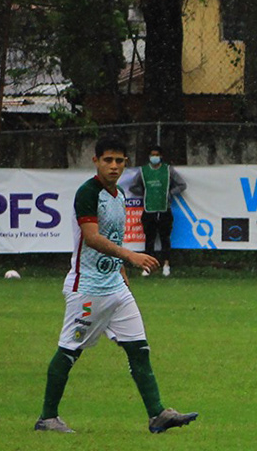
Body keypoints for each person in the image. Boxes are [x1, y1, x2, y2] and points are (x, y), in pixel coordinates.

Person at [34, 136, 199, 435]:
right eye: (107, 160)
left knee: (139, 349)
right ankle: (47, 418)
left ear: (126, 163)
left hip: (115, 288)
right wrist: (130, 256)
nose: (113, 166)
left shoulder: (119, 194)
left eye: (119, 161)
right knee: (69, 351)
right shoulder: (88, 193)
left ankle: (158, 415)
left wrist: (120, 269)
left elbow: (113, 236)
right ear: (95, 161)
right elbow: (92, 237)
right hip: (88, 288)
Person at [118, 144, 186, 275]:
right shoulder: (143, 171)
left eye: (157, 155)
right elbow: (133, 187)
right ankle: (147, 267)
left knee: (165, 239)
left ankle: (166, 264)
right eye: (152, 155)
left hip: (164, 209)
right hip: (149, 210)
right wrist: (145, 193)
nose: (154, 157)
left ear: (161, 156)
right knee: (149, 239)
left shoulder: (168, 170)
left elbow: (182, 185)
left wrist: (169, 193)